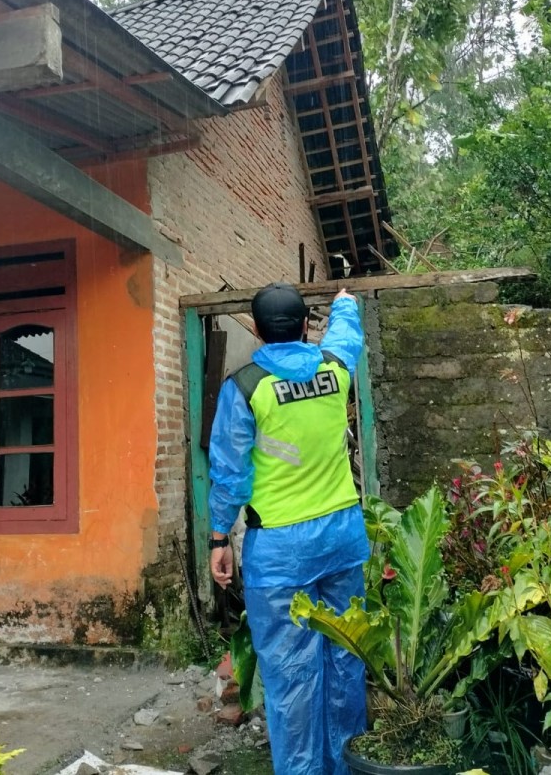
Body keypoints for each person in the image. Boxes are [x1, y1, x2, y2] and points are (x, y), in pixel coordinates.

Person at [208, 283, 368, 775]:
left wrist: (219, 537)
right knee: (346, 658)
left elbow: (230, 475)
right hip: (341, 540)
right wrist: (343, 300)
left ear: (255, 331)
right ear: (305, 327)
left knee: (290, 673)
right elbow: (347, 334)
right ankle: (345, 766)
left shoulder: (244, 387)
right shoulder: (334, 371)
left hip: (279, 552)